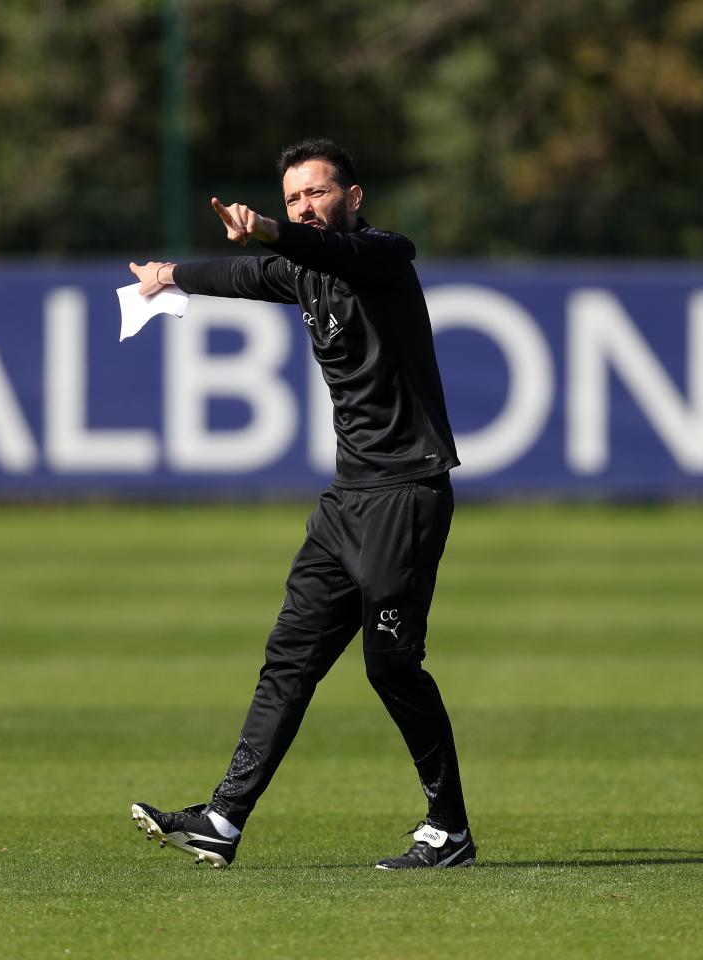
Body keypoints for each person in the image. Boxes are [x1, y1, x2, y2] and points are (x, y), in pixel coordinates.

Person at [127, 138, 473, 870]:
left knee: (392, 668)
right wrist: (168, 276)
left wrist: (274, 230)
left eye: (316, 192)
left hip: (405, 495)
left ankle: (449, 831)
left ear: (353, 197)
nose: (305, 206)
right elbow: (248, 274)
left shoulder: (382, 256)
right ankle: (223, 817)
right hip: (347, 502)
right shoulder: (302, 272)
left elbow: (322, 256)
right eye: (292, 198)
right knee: (288, 659)